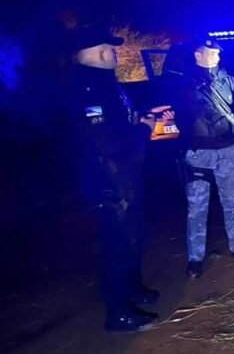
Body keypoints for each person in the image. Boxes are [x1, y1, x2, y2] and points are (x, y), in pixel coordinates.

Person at [68, 25, 164, 333]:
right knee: (118, 245)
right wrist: (144, 130)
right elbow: (104, 143)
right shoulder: (88, 90)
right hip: (108, 183)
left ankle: (133, 290)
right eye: (111, 49)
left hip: (123, 178)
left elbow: (118, 127)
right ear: (97, 53)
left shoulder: (106, 85)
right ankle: (118, 313)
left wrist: (143, 118)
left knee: (133, 237)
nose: (116, 53)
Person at [174, 38, 234, 279]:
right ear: (197, 55)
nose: (217, 57)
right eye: (211, 53)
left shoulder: (228, 80)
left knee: (233, 200)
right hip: (198, 151)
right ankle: (195, 259)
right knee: (197, 207)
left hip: (229, 150)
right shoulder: (184, 83)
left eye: (218, 53)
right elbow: (178, 115)